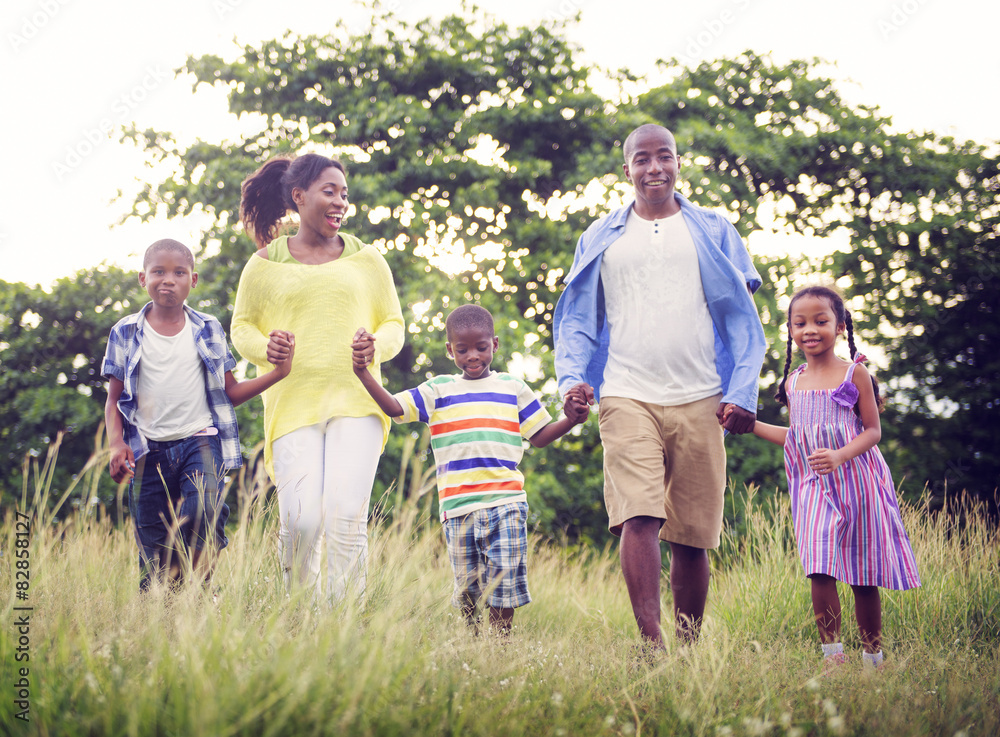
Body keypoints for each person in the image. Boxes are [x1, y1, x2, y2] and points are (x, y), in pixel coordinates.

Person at [552, 123, 766, 647]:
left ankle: (688, 648)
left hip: (701, 395)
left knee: (692, 536)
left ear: (677, 163)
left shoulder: (713, 229)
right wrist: (573, 379)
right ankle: (652, 644)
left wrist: (742, 392)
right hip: (626, 390)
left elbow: (742, 318)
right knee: (639, 515)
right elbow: (578, 318)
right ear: (626, 170)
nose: (654, 168)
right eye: (642, 159)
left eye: (663, 157)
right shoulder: (601, 235)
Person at [352, 304, 589, 634]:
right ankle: (473, 638)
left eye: (481, 347)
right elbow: (394, 407)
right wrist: (363, 373)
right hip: (458, 507)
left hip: (506, 502)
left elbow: (540, 437)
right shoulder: (438, 390)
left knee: (504, 578)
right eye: (462, 350)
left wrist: (570, 420)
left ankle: (500, 644)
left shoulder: (513, 388)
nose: (473, 356)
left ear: (495, 344)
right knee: (468, 589)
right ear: (450, 350)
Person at [232, 153, 405, 604]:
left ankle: (342, 631)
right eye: (330, 191)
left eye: (344, 194)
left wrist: (376, 348)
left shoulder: (367, 259)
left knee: (347, 517)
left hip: (358, 402)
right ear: (299, 196)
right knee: (302, 520)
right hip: (293, 405)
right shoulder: (264, 263)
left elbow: (393, 323)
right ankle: (295, 617)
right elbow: (242, 327)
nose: (340, 202)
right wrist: (264, 348)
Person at [735, 285, 920, 668]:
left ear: (840, 327)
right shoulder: (794, 382)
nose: (810, 329)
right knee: (819, 566)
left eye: (821, 321)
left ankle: (873, 658)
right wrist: (751, 425)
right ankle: (832, 657)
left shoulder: (855, 373)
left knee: (862, 574)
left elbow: (872, 431)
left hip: (858, 482)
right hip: (814, 486)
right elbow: (796, 438)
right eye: (800, 323)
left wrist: (839, 455)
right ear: (790, 330)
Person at [103, 238, 294, 591]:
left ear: (193, 280)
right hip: (148, 451)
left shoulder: (207, 328)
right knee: (154, 546)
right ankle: (166, 604)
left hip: (199, 441)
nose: (168, 280)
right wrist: (117, 445)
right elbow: (114, 399)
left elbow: (230, 392)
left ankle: (200, 585)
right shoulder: (125, 332)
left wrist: (276, 374)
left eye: (179, 272)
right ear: (142, 279)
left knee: (204, 511)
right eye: (158, 271)